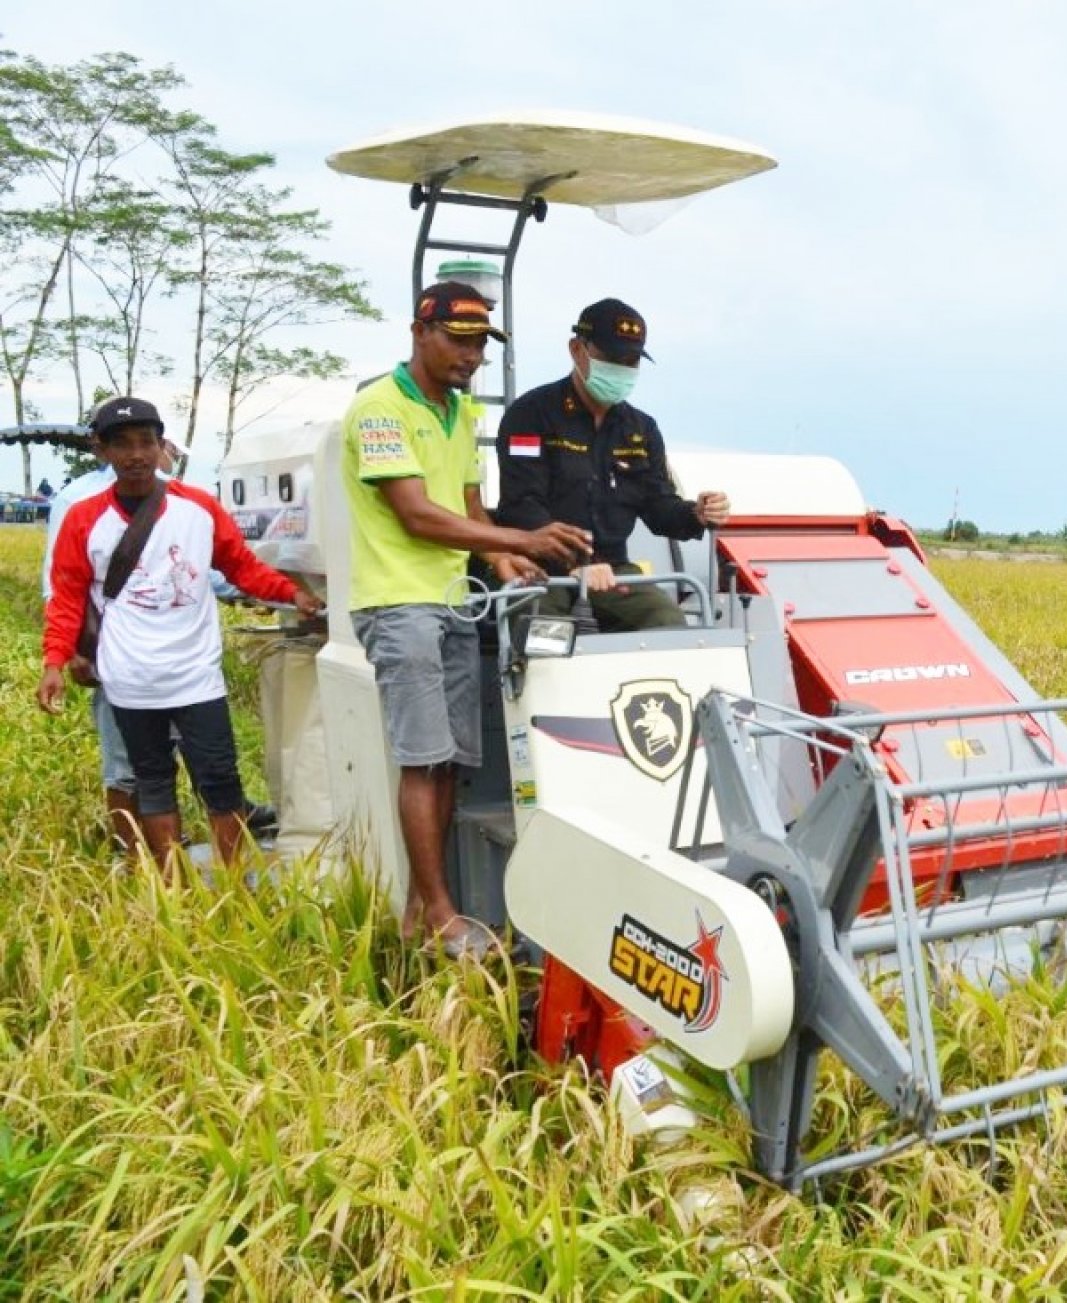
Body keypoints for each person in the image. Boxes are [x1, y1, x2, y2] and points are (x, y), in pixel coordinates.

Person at [340, 281, 591, 955]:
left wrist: (507, 564)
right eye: (458, 338)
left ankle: (424, 911)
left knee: (448, 763)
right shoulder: (380, 409)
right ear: (419, 331)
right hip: (399, 603)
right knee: (423, 763)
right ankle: (443, 912)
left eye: (481, 342)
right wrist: (523, 540)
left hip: (452, 601)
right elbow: (418, 513)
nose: (472, 355)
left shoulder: (457, 413)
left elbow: (471, 508)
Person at [38, 397, 322, 869]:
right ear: (102, 450)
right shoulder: (84, 517)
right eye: (123, 444)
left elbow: (241, 567)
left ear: (160, 445)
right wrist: (55, 663)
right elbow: (67, 597)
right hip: (129, 679)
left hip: (195, 676)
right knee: (151, 779)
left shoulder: (197, 507)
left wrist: (292, 594)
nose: (137, 454)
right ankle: (170, 881)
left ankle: (231, 886)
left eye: (146, 442)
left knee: (220, 779)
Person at [494, 298, 730, 631]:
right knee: (543, 631)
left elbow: (659, 504)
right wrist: (576, 564)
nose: (621, 368)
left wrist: (697, 514)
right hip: (541, 570)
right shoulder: (531, 413)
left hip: (615, 570)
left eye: (631, 361)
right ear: (577, 350)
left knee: (667, 621)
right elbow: (522, 504)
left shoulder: (641, 429)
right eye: (611, 358)